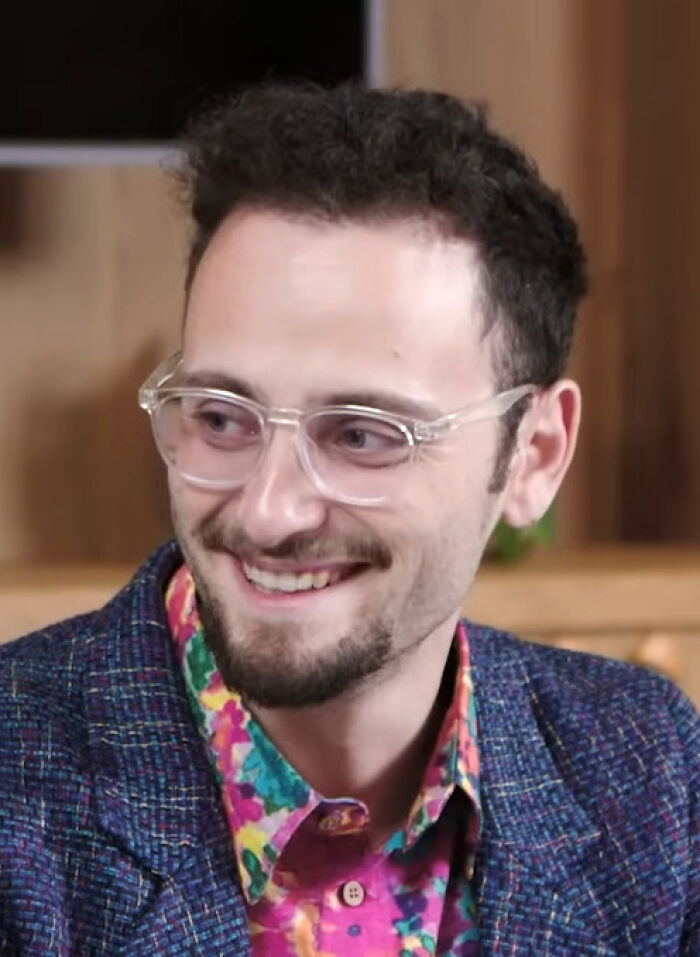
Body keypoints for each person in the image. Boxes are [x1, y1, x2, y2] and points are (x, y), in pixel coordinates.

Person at [0, 83, 697, 957]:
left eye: (365, 435)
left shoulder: (650, 767)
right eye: (222, 417)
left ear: (535, 456)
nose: (269, 509)